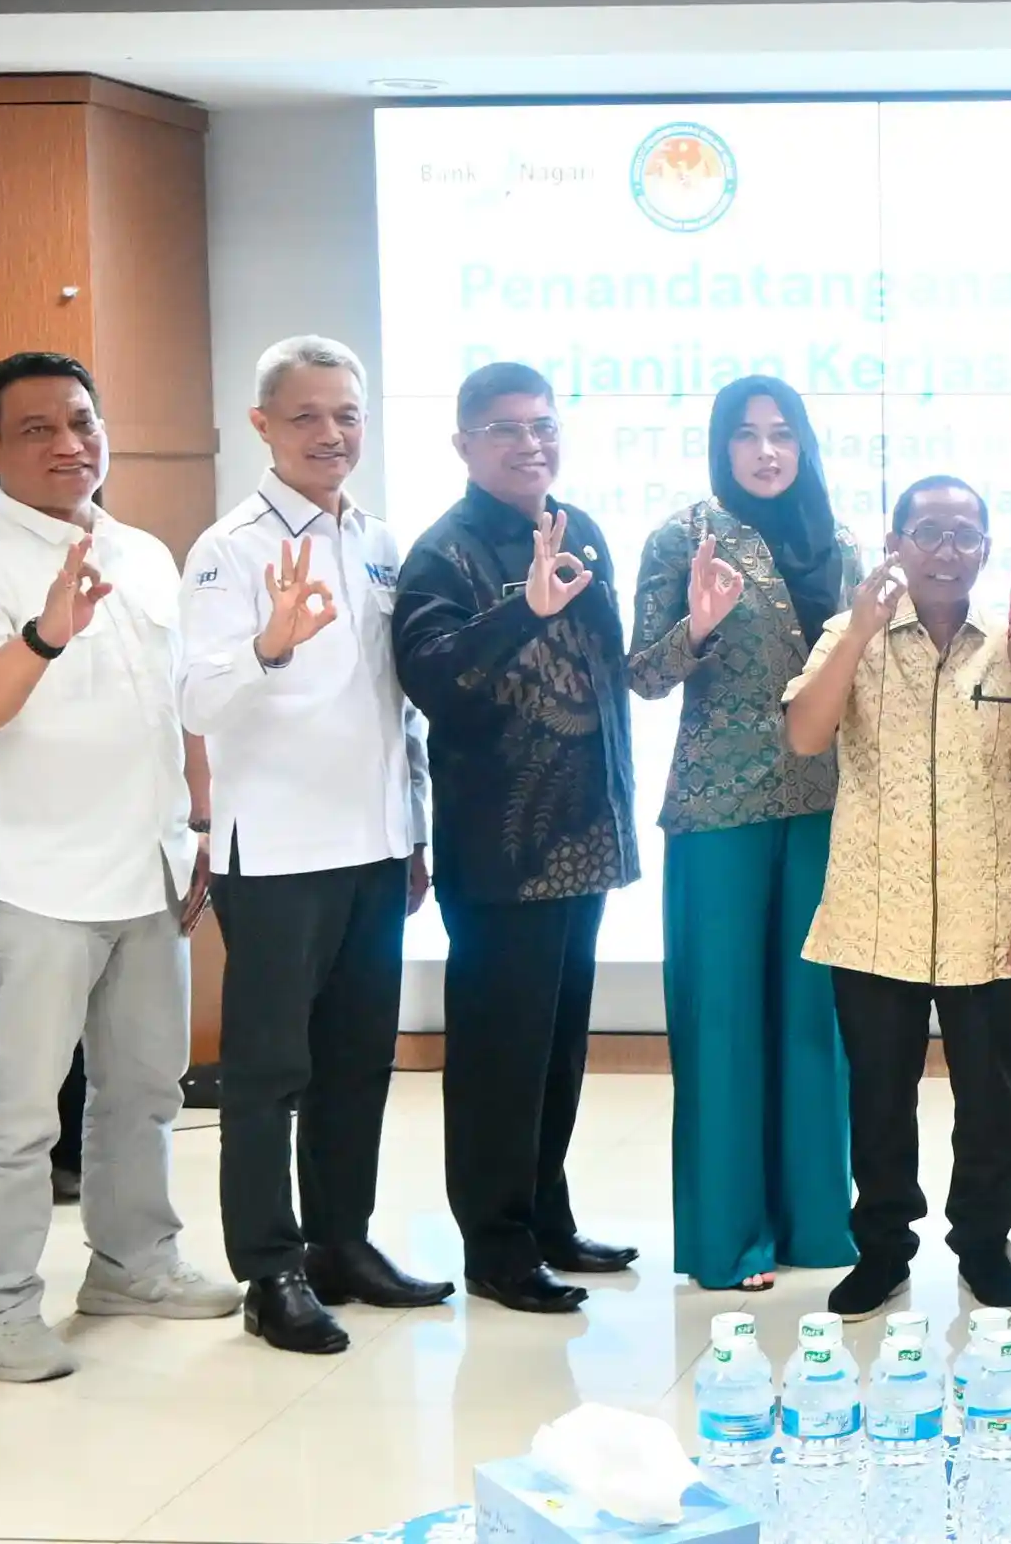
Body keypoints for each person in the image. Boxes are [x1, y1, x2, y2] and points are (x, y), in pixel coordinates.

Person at [0, 351, 239, 1384]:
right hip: (35, 875)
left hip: (145, 863)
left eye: (83, 422)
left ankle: (133, 1259)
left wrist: (194, 822)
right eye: (39, 429)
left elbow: (176, 703)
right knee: (16, 1108)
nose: (69, 444)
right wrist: (45, 632)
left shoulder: (142, 551)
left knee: (145, 1083)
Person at [177, 336, 449, 1355]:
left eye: (346, 414)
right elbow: (196, 696)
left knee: (355, 1061)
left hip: (373, 843)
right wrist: (268, 641)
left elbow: (393, 704)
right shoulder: (230, 548)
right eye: (306, 416)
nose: (330, 434)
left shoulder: (379, 540)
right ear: (262, 425)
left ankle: (343, 1240)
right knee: (266, 1071)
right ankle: (270, 1268)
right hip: (278, 852)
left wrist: (412, 828)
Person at [787, 476, 1011, 1319]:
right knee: (878, 1098)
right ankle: (882, 1250)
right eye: (928, 532)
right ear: (895, 542)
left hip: (989, 918)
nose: (946, 551)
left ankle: (985, 1246)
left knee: (990, 1102)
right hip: (873, 918)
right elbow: (804, 736)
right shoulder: (852, 633)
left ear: (986, 548)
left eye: (964, 535)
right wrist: (861, 630)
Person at [395, 360, 642, 1314]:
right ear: (462, 443)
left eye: (542, 424)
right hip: (503, 851)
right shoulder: (442, 554)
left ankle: (546, 1215)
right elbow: (434, 681)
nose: (529, 442)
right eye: (505, 429)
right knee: (499, 1058)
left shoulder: (580, 530)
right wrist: (521, 610)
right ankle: (495, 1247)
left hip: (584, 836)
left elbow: (607, 669)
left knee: (558, 1049)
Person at [631, 374, 858, 1294]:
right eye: (745, 436)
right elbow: (644, 673)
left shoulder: (839, 547)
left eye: (783, 434)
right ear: (720, 447)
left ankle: (815, 1224)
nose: (767, 452)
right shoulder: (684, 537)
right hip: (718, 810)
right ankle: (730, 1240)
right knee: (721, 1020)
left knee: (814, 1023)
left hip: (822, 807)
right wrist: (699, 624)